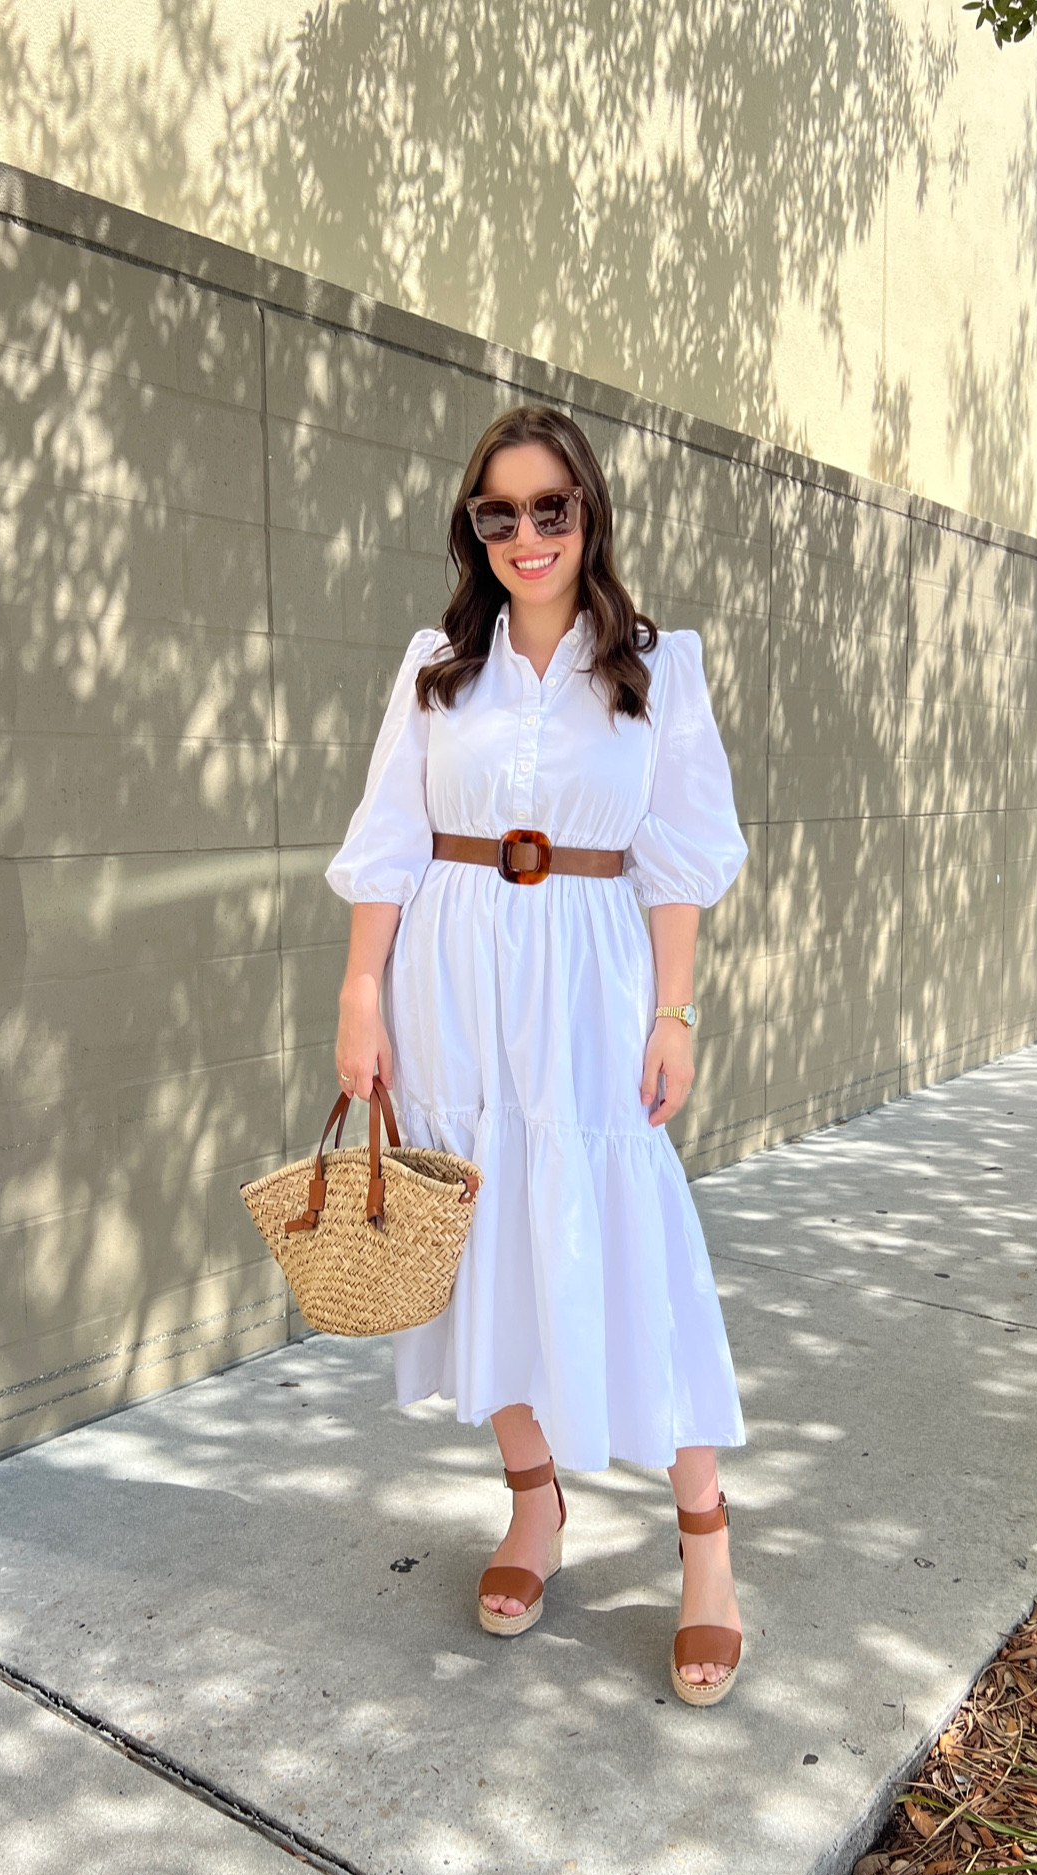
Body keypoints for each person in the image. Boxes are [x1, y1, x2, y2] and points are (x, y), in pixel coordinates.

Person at [326, 405, 748, 1706]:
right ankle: (533, 1507)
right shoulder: (435, 667)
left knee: (635, 1245)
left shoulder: (657, 667)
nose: (525, 534)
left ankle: (708, 1551)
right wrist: (359, 988)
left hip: (589, 974)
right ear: (474, 527)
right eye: (497, 512)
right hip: (450, 972)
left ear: (589, 516)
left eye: (549, 508)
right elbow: (391, 836)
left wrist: (672, 1012)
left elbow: (677, 854)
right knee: (479, 1240)